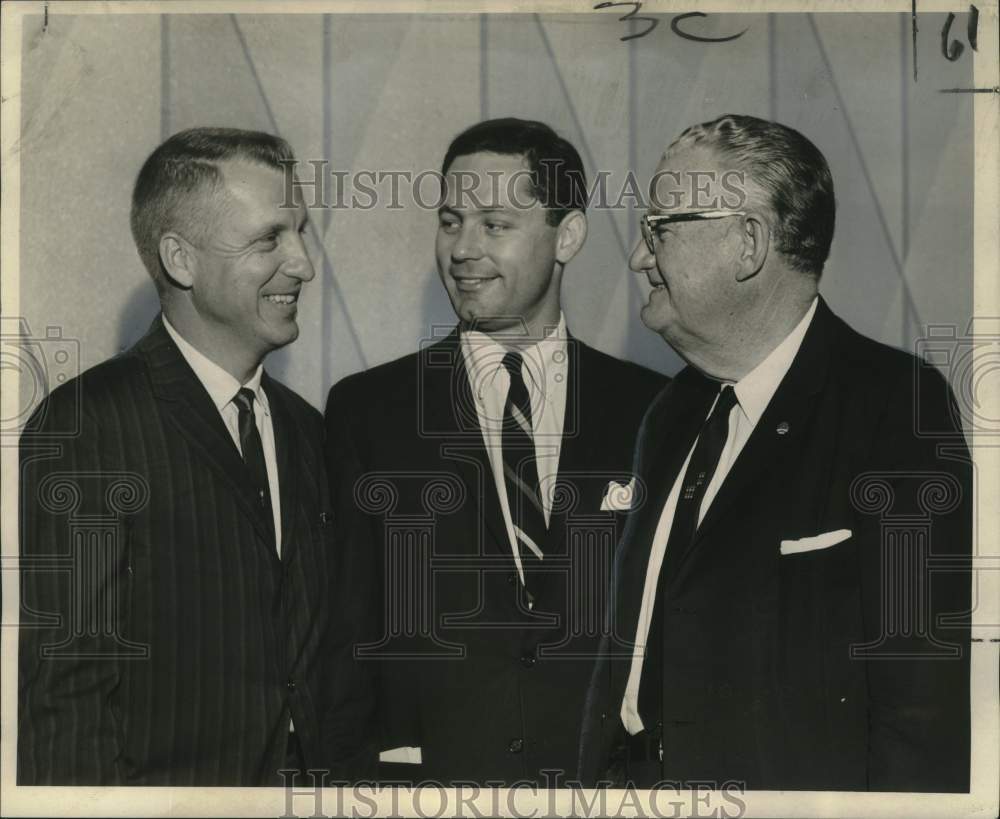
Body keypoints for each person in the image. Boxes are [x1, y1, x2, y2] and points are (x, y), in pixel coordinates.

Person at [577, 114, 972, 792]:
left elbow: (924, 704)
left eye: (660, 229)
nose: (641, 258)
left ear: (749, 242)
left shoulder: (893, 408)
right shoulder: (670, 414)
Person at [18, 127, 375, 786]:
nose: (303, 263)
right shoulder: (88, 425)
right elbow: (64, 699)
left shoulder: (308, 430)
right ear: (180, 260)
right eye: (269, 238)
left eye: (300, 232)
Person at [325, 117, 666, 785]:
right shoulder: (369, 409)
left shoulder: (654, 410)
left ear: (567, 234)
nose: (462, 248)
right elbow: (346, 635)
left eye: (495, 224)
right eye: (451, 221)